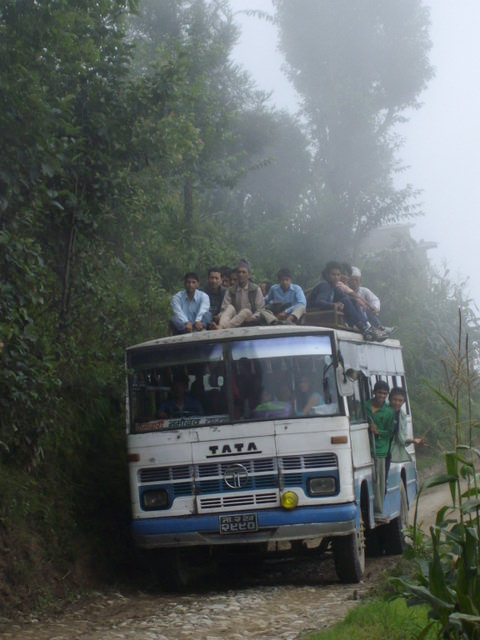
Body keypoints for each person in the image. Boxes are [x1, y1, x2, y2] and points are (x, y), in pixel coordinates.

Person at [308, 261, 386, 341]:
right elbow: (319, 302)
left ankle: (367, 327)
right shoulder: (325, 285)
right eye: (333, 274)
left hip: (328, 314)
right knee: (346, 301)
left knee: (350, 301)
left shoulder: (334, 287)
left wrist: (357, 301)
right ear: (327, 275)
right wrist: (333, 305)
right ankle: (364, 328)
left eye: (338, 275)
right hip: (316, 315)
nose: (336, 277)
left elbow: (347, 298)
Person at [365, 380, 395, 520]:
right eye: (379, 392)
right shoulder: (365, 406)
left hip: (381, 449)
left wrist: (378, 432)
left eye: (384, 393)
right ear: (374, 392)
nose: (382, 396)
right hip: (365, 448)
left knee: (379, 480)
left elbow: (389, 432)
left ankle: (378, 510)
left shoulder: (389, 412)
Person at [386, 387, 425, 477]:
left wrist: (413, 441)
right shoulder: (384, 411)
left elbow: (401, 439)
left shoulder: (402, 415)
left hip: (389, 452)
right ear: (389, 399)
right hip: (381, 451)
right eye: (395, 400)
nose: (397, 403)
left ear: (403, 402)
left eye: (400, 401)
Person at [218, 259, 265, 328]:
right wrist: (219, 316)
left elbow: (260, 310)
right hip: (234, 318)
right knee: (230, 308)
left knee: (245, 311)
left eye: (243, 272)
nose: (241, 274)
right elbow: (224, 308)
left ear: (249, 275)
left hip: (250, 318)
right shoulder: (231, 290)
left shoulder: (256, 289)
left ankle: (222, 328)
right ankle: (223, 326)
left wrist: (253, 317)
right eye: (239, 272)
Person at [350, 266, 395, 335]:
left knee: (369, 309)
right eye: (352, 280)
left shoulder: (364, 290)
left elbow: (375, 300)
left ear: (360, 281)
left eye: (357, 280)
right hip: (355, 319)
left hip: (367, 318)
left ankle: (379, 328)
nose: (354, 282)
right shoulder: (345, 291)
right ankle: (380, 328)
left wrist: (375, 309)